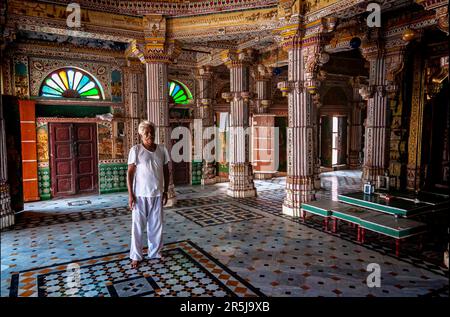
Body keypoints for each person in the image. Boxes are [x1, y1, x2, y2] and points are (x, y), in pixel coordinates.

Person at [127, 121, 170, 268]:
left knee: (157, 226)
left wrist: (165, 191)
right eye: (146, 133)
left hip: (157, 194)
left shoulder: (162, 149)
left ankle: (155, 252)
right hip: (140, 195)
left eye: (151, 132)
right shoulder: (136, 150)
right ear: (140, 134)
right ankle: (136, 256)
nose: (150, 135)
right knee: (137, 226)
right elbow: (130, 174)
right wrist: (131, 194)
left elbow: (166, 171)